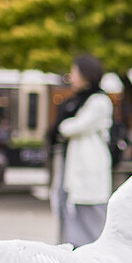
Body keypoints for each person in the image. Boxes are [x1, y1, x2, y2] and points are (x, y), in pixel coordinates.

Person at [47, 53, 113, 246]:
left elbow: (74, 127)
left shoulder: (99, 101)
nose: (71, 76)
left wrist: (65, 125)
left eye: (75, 72)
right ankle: (72, 253)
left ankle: (96, 255)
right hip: (70, 167)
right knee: (68, 209)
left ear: (86, 74)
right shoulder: (74, 101)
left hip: (89, 167)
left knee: (91, 212)